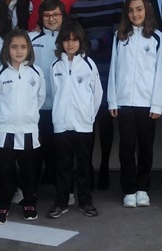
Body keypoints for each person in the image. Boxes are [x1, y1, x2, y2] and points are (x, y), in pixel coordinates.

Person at [108, 0, 162, 208]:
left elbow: (161, 72)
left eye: (139, 9)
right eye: (131, 10)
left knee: (145, 147)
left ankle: (143, 187)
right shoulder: (120, 36)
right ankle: (129, 189)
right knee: (126, 146)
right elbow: (114, 69)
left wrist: (157, 103)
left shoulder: (157, 37)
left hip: (147, 103)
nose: (135, 14)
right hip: (124, 102)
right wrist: (112, 100)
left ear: (147, 10)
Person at [70, 0, 124, 190]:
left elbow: (117, 32)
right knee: (88, 121)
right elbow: (74, 37)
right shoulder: (77, 7)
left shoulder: (117, 3)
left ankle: (104, 167)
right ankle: (88, 169)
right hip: (87, 70)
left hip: (111, 69)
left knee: (107, 122)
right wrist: (88, 45)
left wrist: (92, 42)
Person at [0, 29, 46, 224]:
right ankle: (2, 205)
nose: (19, 51)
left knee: (29, 170)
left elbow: (40, 98)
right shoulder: (0, 73)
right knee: (5, 170)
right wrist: (4, 118)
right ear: (7, 49)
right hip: (5, 131)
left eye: (23, 47)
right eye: (14, 47)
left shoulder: (36, 73)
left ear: (29, 49)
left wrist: (28, 117)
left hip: (29, 130)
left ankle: (29, 201)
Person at [48, 22, 103, 219]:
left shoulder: (88, 64)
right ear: (61, 42)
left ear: (81, 41)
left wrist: (89, 116)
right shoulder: (55, 66)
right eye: (66, 39)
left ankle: (85, 201)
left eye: (74, 39)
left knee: (84, 165)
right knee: (62, 165)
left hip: (83, 124)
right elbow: (55, 93)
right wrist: (59, 116)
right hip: (62, 124)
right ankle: (61, 202)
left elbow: (97, 93)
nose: (70, 44)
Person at [29, 0, 66, 185]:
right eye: (47, 15)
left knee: (61, 151)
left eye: (56, 15)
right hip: (38, 107)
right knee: (37, 149)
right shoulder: (30, 39)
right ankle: (31, 189)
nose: (51, 19)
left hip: (62, 106)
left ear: (63, 16)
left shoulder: (70, 40)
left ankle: (63, 191)